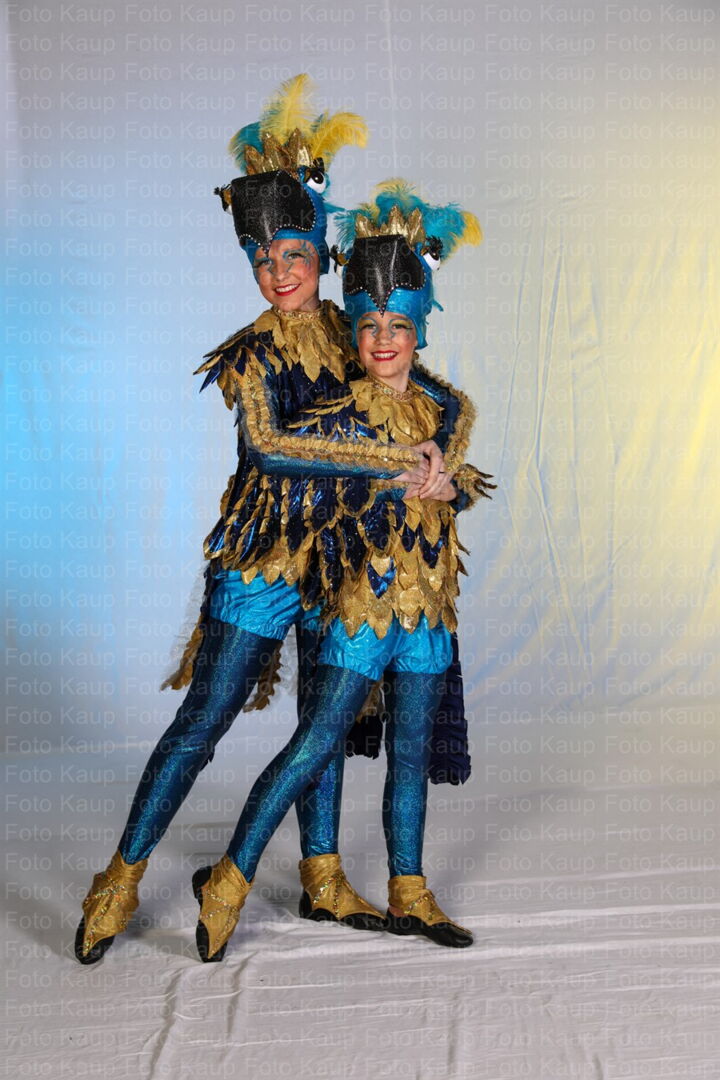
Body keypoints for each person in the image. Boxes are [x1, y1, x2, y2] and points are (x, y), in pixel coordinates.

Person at [75, 79, 470, 964]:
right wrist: (396, 464)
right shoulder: (253, 354)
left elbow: (424, 399)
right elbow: (271, 447)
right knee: (206, 718)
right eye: (262, 258)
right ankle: (120, 877)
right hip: (260, 561)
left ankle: (323, 874)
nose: (280, 271)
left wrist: (444, 467)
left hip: (345, 564)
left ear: (322, 251)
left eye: (293, 251)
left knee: (320, 723)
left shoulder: (359, 325)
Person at [191, 182, 494, 961]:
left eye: (398, 325)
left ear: (420, 330)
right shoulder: (330, 422)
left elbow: (460, 466)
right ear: (351, 331)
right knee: (314, 743)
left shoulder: (446, 409)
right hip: (357, 609)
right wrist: (389, 468)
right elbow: (294, 477)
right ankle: (229, 876)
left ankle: (409, 890)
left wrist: (450, 483)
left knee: (411, 754)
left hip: (428, 612)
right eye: (367, 326)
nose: (382, 340)